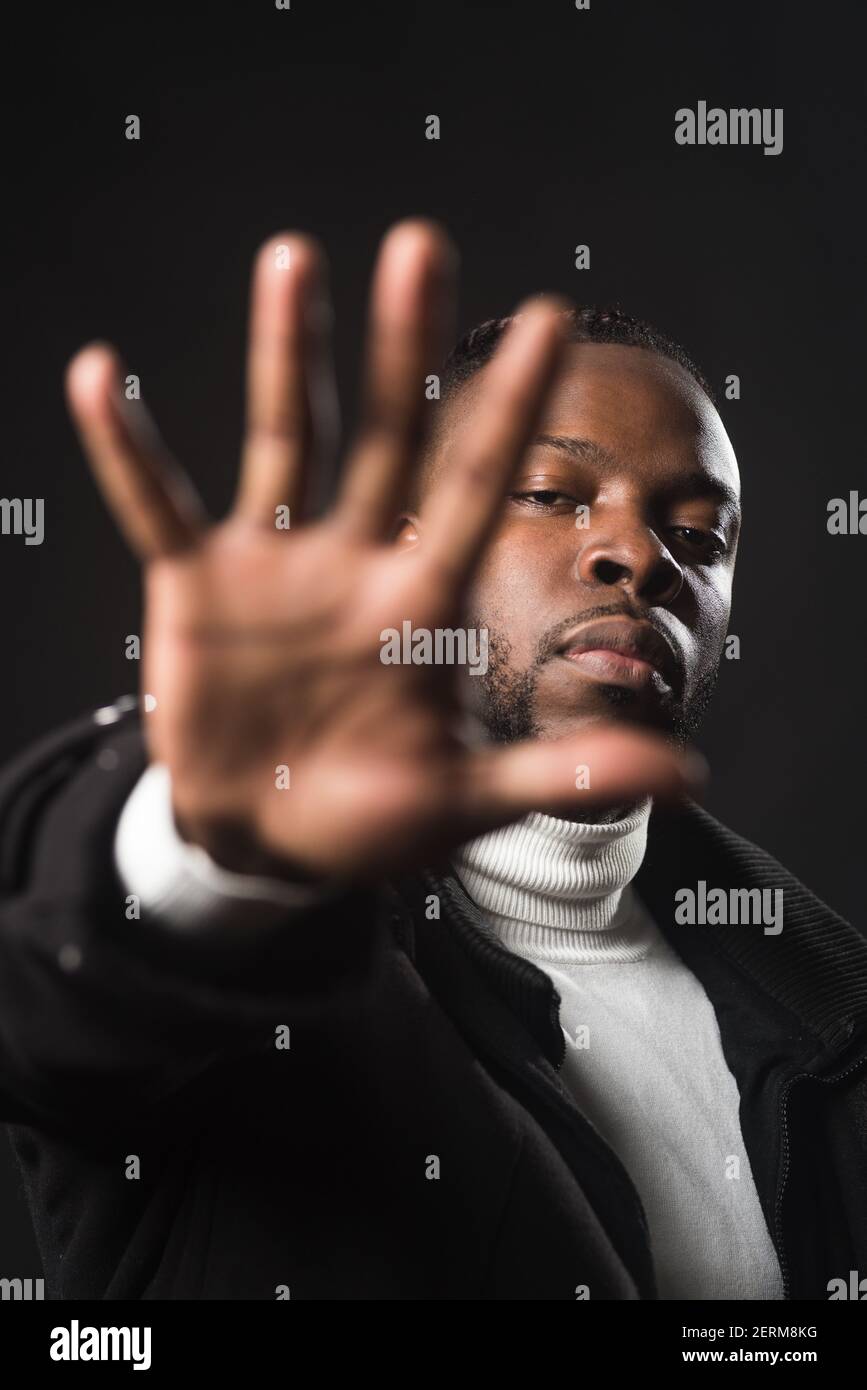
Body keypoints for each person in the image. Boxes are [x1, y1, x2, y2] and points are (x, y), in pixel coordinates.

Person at [1, 221, 864, 1300]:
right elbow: (45, 1013)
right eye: (552, 494)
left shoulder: (825, 1000)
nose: (639, 554)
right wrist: (206, 852)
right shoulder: (261, 974)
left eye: (699, 534)